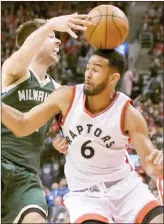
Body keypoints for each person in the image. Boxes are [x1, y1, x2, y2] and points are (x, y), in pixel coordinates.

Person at [2, 49, 163, 224]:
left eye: (96, 69)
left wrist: (156, 165)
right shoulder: (66, 97)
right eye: (88, 67)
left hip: (125, 188)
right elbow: (23, 124)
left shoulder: (128, 114)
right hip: (85, 195)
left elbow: (149, 165)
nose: (88, 73)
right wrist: (58, 137)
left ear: (114, 78)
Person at [1, 13, 91, 223]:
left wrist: (66, 140)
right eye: (52, 36)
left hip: (26, 173)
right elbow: (20, 57)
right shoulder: (13, 73)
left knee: (36, 219)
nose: (58, 40)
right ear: (35, 40)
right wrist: (50, 24)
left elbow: (72, 131)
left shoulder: (58, 91)